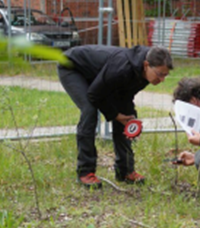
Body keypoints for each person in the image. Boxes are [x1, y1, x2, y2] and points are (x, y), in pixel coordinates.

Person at [58, 45, 173, 189]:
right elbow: (94, 94)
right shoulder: (121, 68)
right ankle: (85, 172)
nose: (162, 79)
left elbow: (125, 96)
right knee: (90, 111)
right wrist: (115, 115)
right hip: (73, 66)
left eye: (165, 75)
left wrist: (131, 121)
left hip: (100, 74)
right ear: (146, 65)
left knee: (126, 117)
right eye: (160, 74)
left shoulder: (143, 73)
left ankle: (125, 171)